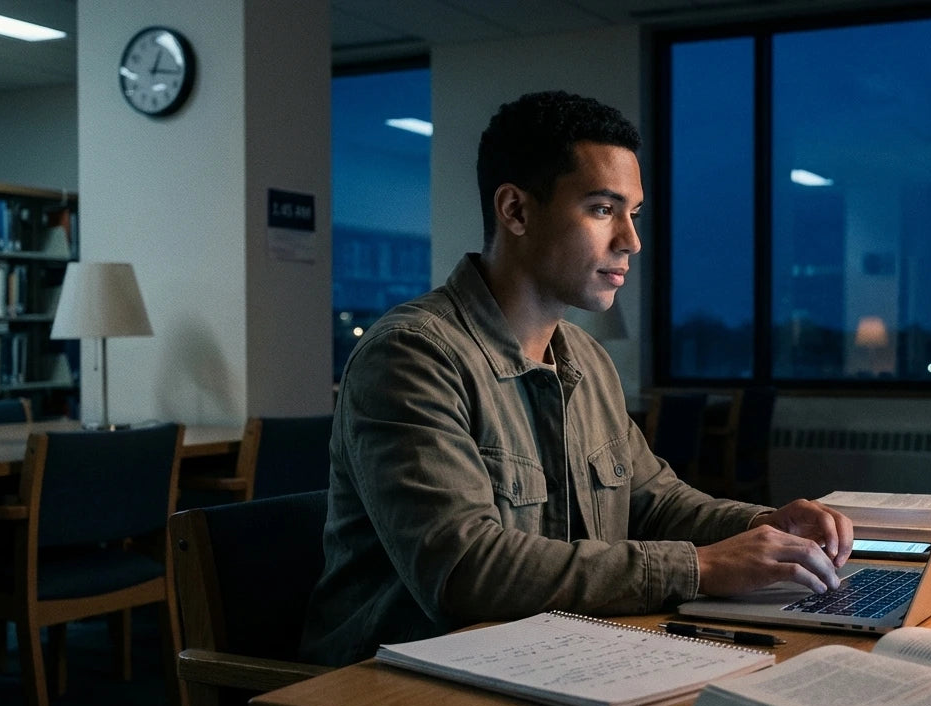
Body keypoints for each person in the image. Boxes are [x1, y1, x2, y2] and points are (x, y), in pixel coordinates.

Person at [300, 90, 852, 666]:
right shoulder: (412, 356)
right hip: (392, 688)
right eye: (601, 209)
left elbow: (653, 502)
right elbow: (464, 571)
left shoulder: (586, 359)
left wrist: (766, 525)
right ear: (515, 211)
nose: (631, 242)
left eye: (632, 214)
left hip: (550, 655)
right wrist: (702, 568)